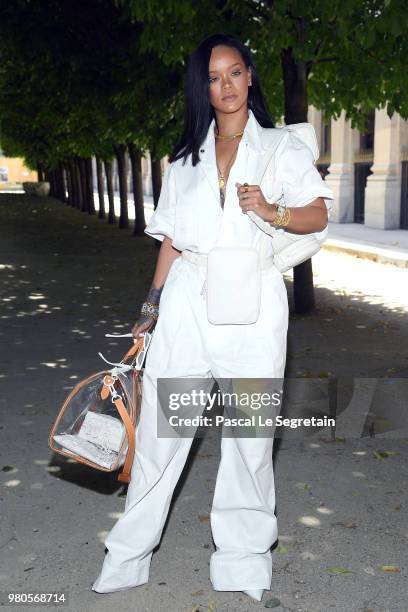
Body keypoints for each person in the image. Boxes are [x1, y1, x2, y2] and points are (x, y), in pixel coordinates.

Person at [92, 33, 334, 603]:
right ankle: (127, 557)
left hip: (252, 304)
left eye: (233, 73)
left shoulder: (282, 146)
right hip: (186, 304)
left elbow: (317, 215)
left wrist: (268, 209)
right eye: (212, 77)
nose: (224, 85)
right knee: (161, 435)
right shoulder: (185, 156)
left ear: (250, 76)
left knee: (250, 438)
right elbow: (172, 242)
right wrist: (149, 307)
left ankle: (243, 563)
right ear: (202, 87)